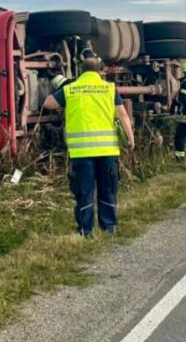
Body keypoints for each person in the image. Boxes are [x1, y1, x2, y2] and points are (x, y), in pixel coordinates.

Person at [43, 48, 135, 237]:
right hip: (107, 150)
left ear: (81, 72)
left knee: (84, 191)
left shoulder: (70, 89)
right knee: (107, 188)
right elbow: (123, 114)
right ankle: (108, 227)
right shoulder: (109, 88)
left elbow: (48, 104)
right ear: (99, 71)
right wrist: (130, 138)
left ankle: (85, 230)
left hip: (81, 152)